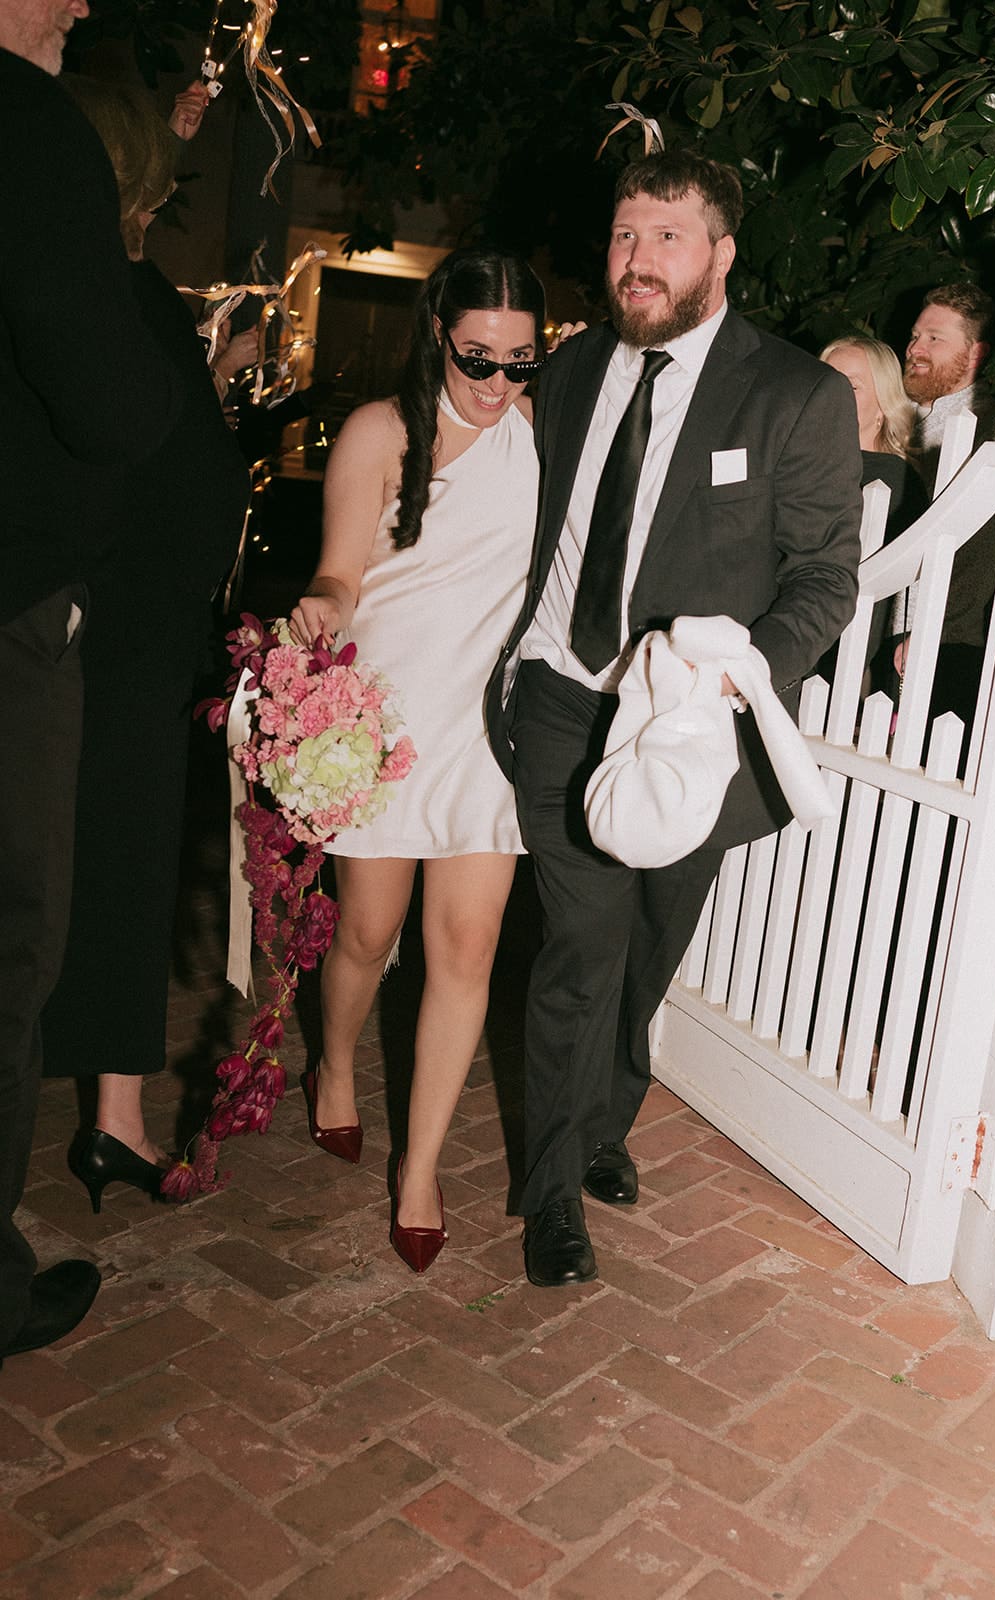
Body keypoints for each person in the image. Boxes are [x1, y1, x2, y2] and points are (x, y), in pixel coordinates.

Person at [486, 147, 864, 1288]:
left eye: (666, 237)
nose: (637, 260)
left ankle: (606, 1115)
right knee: (581, 943)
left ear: (721, 254)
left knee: (652, 937)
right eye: (624, 234)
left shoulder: (794, 394)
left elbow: (824, 579)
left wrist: (737, 677)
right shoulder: (569, 370)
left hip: (688, 727)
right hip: (564, 694)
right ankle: (553, 1190)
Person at [289, 249, 546, 1274]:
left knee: (468, 946)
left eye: (520, 362)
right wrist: (320, 604)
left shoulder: (543, 436)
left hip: (487, 730)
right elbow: (340, 572)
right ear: (440, 333)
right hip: (385, 723)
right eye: (478, 357)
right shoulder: (381, 430)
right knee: (367, 930)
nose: (497, 382)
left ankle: (422, 1167)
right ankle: (333, 1063)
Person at [0, 0, 182, 1363]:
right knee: (11, 937)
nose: (76, 5)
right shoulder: (26, 120)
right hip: (9, 605)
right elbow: (109, 399)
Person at [39, 76, 250, 1211]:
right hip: (119, 633)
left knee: (84, 868)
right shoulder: (121, 294)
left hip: (105, 625)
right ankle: (108, 1120)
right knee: (108, 869)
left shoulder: (92, 290)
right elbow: (163, 461)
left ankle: (110, 1117)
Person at [896, 283, 995, 731]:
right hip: (878, 625)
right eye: (915, 335)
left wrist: (937, 629)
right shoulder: (898, 413)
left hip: (939, 644)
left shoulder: (994, 430)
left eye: (935, 339)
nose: (915, 348)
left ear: (974, 354)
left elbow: (984, 550)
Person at [819, 336, 929, 690]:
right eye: (825, 378)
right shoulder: (798, 463)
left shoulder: (894, 478)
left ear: (883, 404)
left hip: (838, 651)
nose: (831, 392)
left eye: (852, 385)